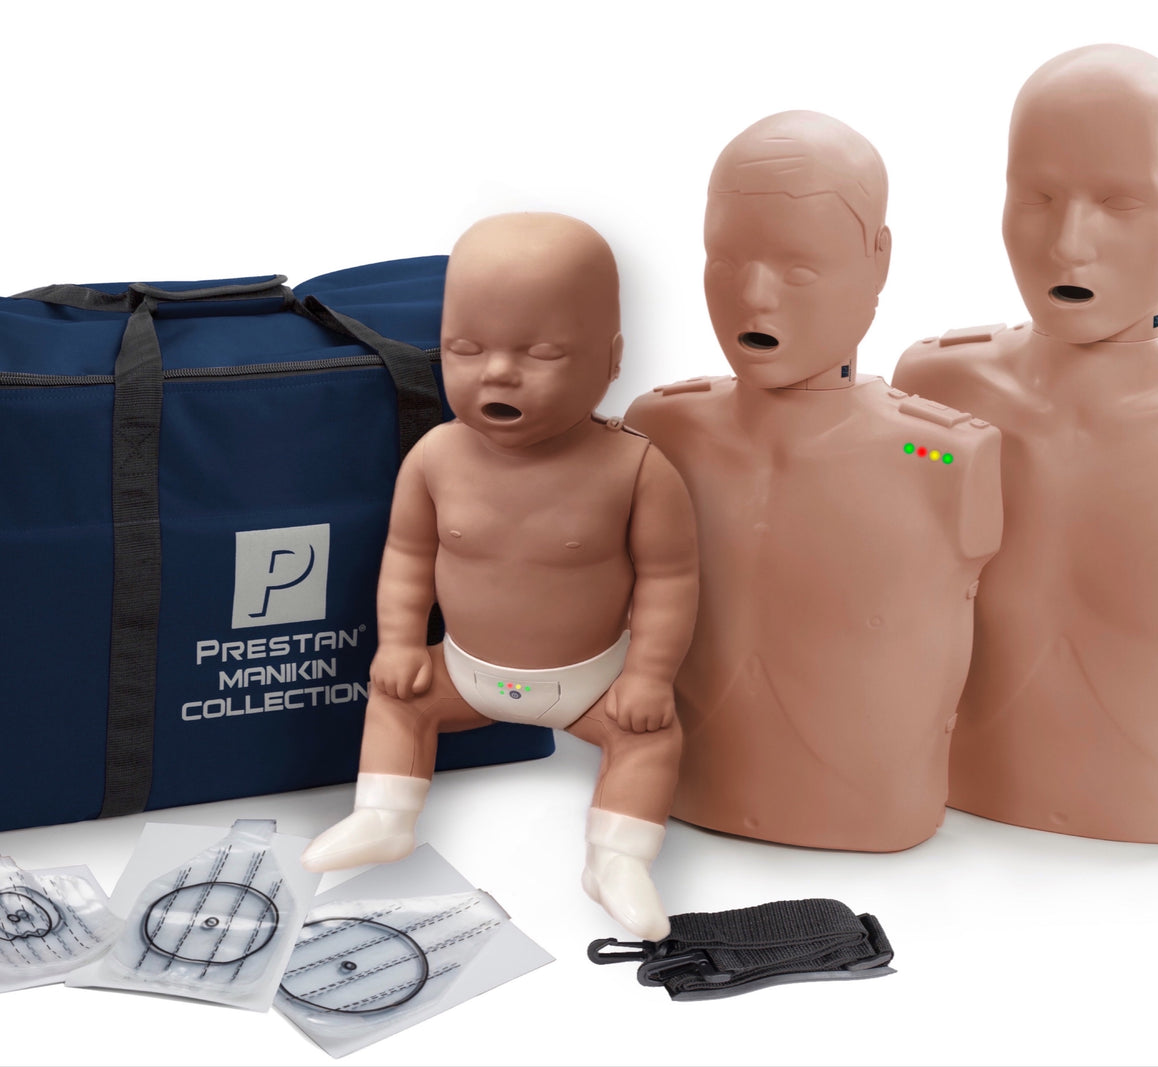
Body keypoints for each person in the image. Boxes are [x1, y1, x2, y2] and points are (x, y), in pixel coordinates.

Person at [893, 45, 1158, 844]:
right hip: (958, 838)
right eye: (1037, 194)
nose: (1069, 242)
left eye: (1121, 203)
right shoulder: (935, 387)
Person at [302, 212, 698, 940]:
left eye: (542, 351)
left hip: (592, 683)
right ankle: (383, 815)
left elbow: (669, 581)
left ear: (611, 360)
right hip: (461, 671)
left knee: (653, 736)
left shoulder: (636, 468)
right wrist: (397, 642)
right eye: (464, 347)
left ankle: (616, 857)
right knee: (395, 698)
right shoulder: (435, 456)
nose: (498, 372)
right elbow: (407, 558)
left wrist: (647, 675)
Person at [625, 112, 1003, 851]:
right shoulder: (661, 430)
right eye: (726, 260)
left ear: (878, 261)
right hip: (672, 813)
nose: (755, 296)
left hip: (871, 827)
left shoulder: (948, 459)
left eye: (799, 268)